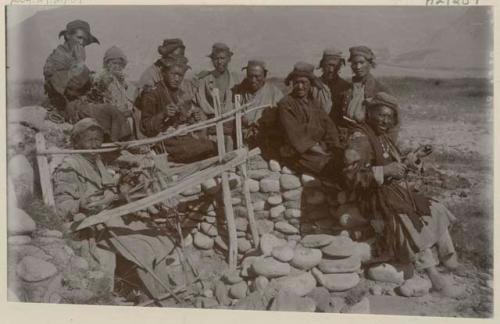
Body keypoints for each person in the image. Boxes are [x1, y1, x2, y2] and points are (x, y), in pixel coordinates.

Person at [342, 92, 463, 297]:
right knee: (409, 219)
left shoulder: (382, 137)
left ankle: (450, 262)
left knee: (435, 208)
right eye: (381, 115)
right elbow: (350, 177)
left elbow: (393, 164)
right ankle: (433, 274)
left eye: (389, 117)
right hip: (371, 197)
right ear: (370, 113)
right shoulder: (360, 138)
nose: (385, 120)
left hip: (390, 192)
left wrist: (411, 159)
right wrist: (384, 172)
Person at [53, 118, 176, 299]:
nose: (95, 144)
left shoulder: (97, 161)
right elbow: (61, 206)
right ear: (77, 141)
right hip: (95, 223)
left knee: (154, 237)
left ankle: (160, 292)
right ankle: (156, 296)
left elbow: (109, 188)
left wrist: (122, 187)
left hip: (111, 216)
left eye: (98, 139)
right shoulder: (69, 167)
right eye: (89, 140)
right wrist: (79, 204)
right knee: (140, 247)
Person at [139, 56, 217, 163]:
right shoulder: (152, 94)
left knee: (211, 146)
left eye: (180, 75)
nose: (177, 79)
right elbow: (145, 126)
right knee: (201, 150)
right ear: (164, 73)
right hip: (164, 141)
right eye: (173, 74)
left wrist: (193, 117)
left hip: (181, 138)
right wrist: (163, 114)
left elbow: (183, 120)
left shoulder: (180, 93)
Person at [278, 62, 344, 181]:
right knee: (329, 167)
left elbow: (329, 126)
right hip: (297, 152)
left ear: (311, 84)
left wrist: (335, 148)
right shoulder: (286, 104)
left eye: (304, 82)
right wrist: (323, 153)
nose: (300, 86)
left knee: (343, 160)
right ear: (292, 83)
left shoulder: (314, 102)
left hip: (318, 148)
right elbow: (296, 137)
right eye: (297, 82)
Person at [43, 20, 99, 117]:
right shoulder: (58, 57)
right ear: (68, 36)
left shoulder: (74, 57)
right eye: (79, 37)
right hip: (62, 107)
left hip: (78, 104)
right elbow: (68, 85)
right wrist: (80, 63)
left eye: (85, 40)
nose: (82, 42)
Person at [232, 59, 284, 146]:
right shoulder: (239, 90)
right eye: (250, 76)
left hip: (267, 141)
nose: (253, 80)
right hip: (242, 141)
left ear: (264, 75)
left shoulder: (275, 93)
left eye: (257, 76)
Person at [91, 46, 138, 136]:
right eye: (114, 63)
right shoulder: (103, 77)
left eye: (119, 64)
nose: (117, 66)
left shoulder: (121, 79)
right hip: (109, 116)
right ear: (107, 63)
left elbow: (130, 96)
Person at [316, 48, 351, 124]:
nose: (331, 70)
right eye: (328, 65)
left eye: (334, 66)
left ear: (339, 67)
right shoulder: (314, 86)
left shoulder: (346, 87)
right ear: (322, 65)